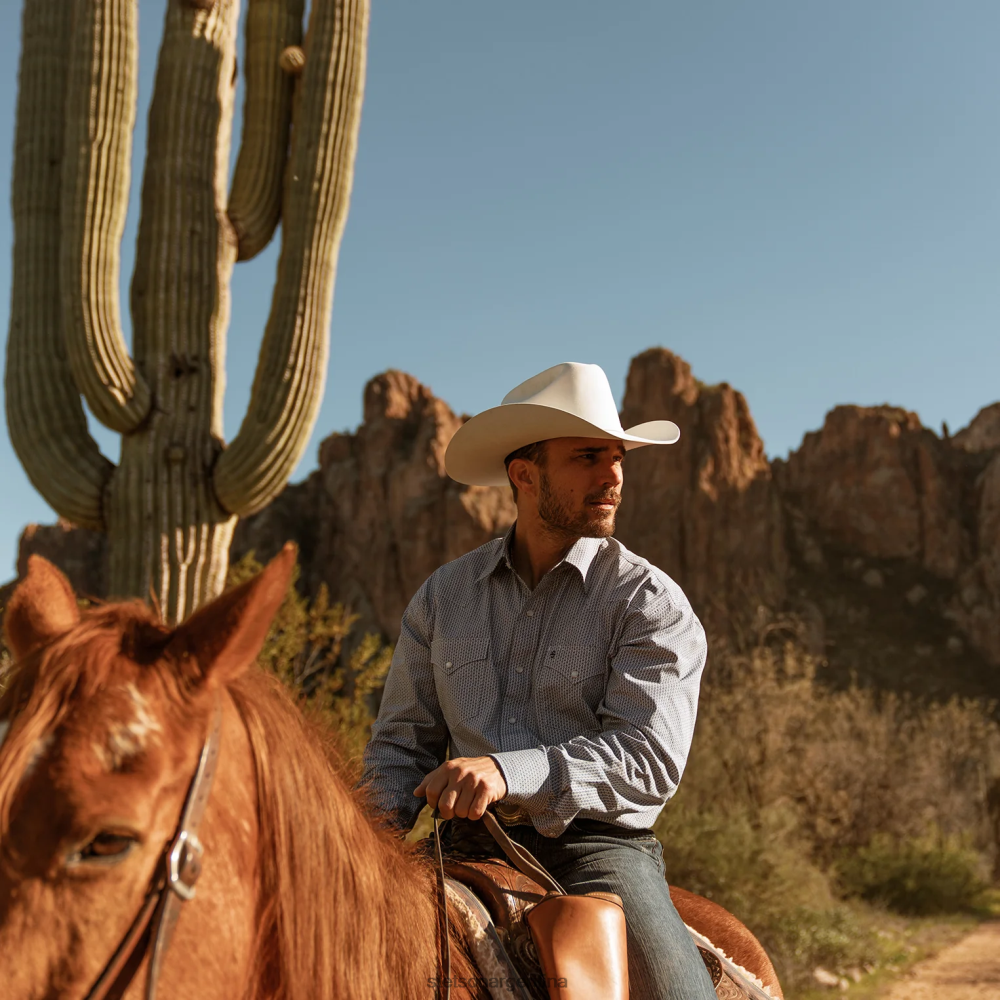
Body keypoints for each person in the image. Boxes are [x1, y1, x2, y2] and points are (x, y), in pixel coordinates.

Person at [359, 362, 717, 1000]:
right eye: (588, 457)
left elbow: (648, 758)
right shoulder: (445, 596)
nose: (612, 477)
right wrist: (361, 846)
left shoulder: (649, 601)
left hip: (598, 852)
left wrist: (505, 770)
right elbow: (400, 745)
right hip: (460, 843)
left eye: (619, 458)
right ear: (524, 475)